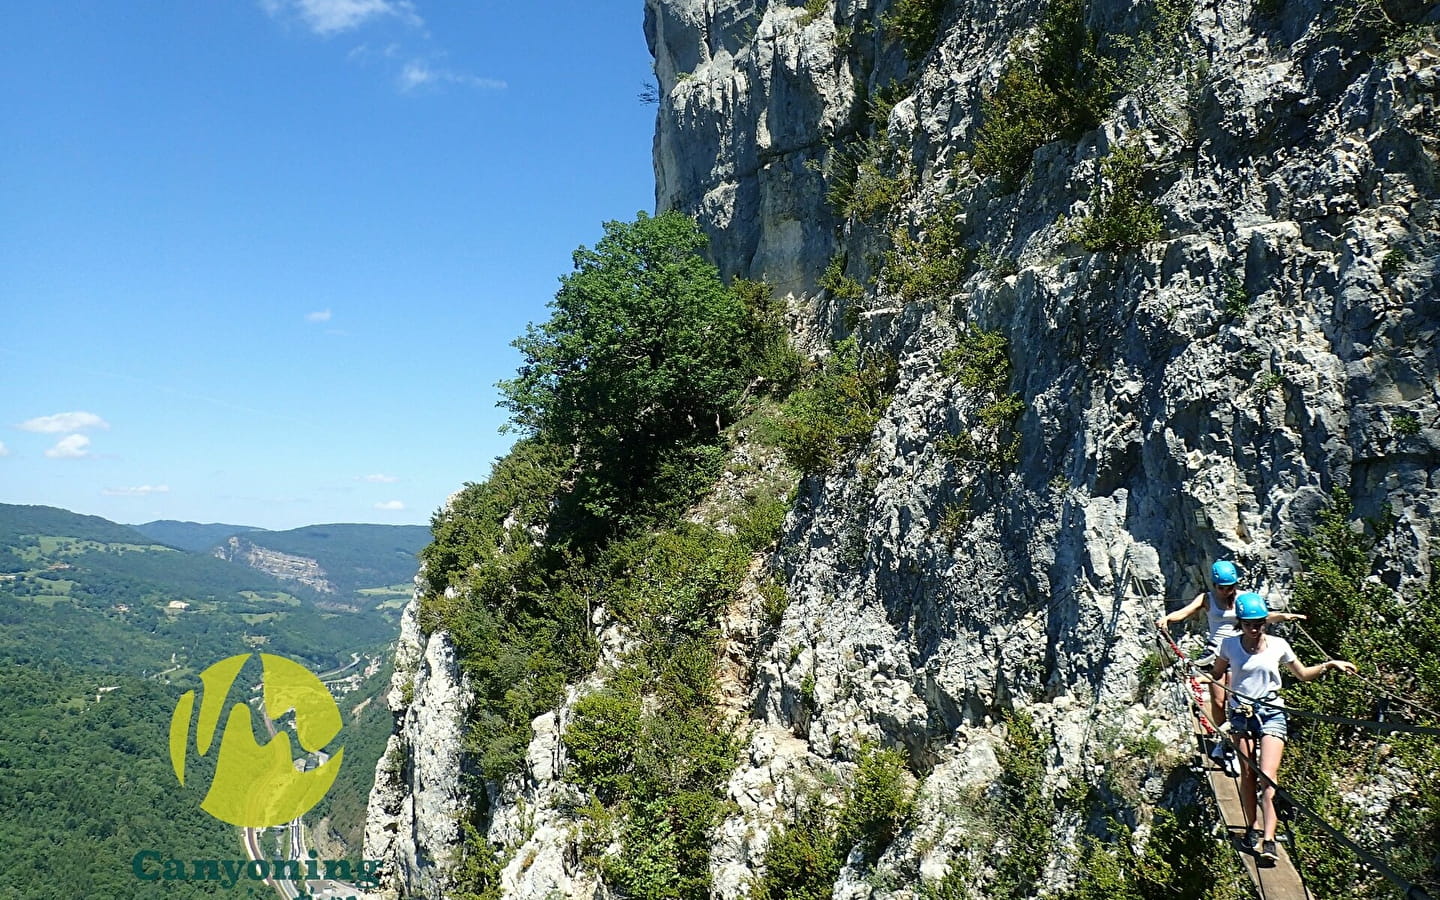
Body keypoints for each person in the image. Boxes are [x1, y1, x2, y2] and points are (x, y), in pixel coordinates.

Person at [1213, 592, 1357, 863]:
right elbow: (1217, 672)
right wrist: (1221, 691)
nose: (1254, 629)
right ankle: (1251, 828)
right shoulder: (1229, 646)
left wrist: (1328, 664)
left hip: (1272, 712)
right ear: (1240, 623)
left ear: (1265, 622)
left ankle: (1269, 840)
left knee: (1268, 776)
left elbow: (1302, 675)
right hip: (1242, 714)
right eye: (1248, 624)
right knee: (1248, 775)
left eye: (1259, 623)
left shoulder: (1279, 645)